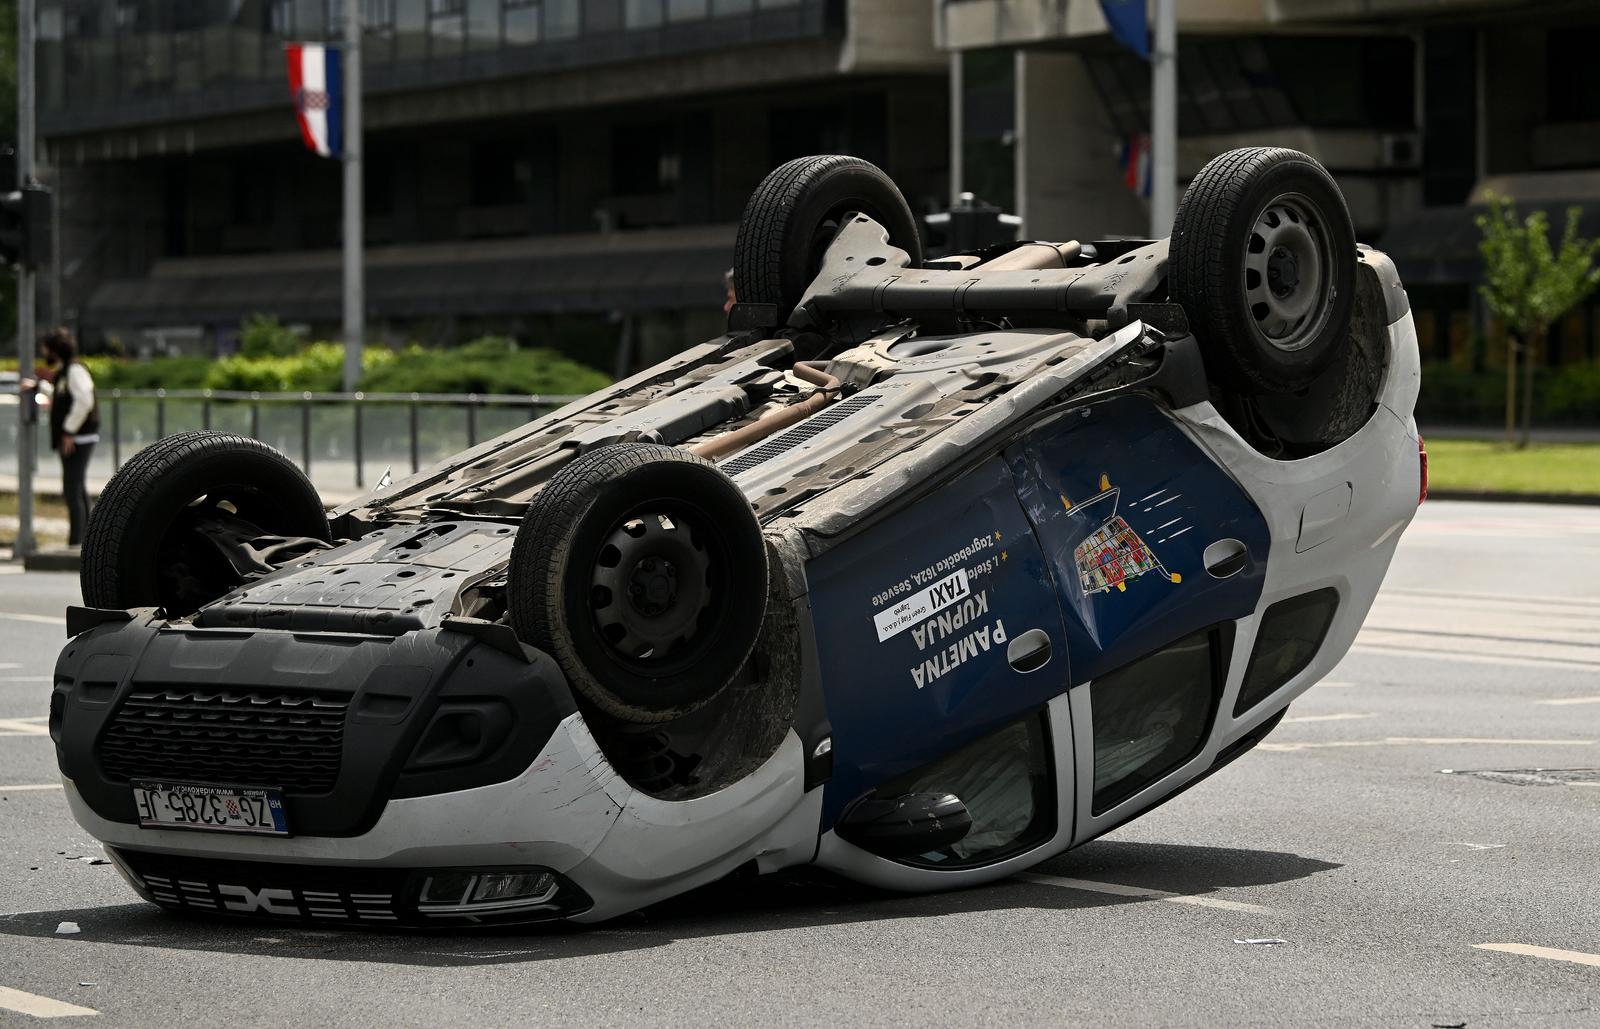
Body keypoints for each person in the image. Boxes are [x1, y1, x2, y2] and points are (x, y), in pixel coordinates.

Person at [41, 327, 99, 547]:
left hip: (78, 438)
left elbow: (84, 400)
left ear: (55, 350)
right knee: (77, 487)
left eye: (46, 349)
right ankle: (85, 539)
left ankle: (78, 542)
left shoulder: (74, 370)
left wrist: (68, 431)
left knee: (71, 488)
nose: (44, 353)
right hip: (77, 437)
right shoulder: (66, 370)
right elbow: (64, 394)